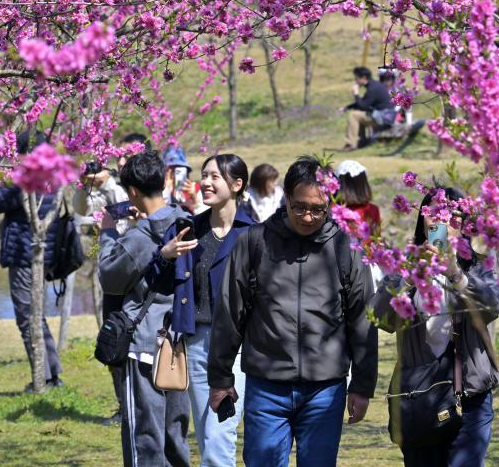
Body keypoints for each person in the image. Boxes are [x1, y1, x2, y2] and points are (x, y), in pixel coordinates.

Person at [208, 157, 378, 467]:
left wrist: (362, 385)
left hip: (325, 389)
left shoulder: (346, 248)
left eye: (318, 209)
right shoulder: (254, 243)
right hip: (266, 386)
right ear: (285, 197)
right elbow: (229, 313)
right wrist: (220, 377)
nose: (309, 217)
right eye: (299, 207)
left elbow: (362, 320)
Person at [370, 187, 499, 467]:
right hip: (420, 396)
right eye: (431, 213)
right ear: (421, 219)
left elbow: (493, 306)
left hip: (470, 398)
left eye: (451, 215)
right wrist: (408, 279)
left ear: (465, 225)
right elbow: (379, 317)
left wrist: (455, 273)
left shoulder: (479, 269)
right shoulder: (404, 267)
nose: (440, 221)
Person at [147, 154, 254, 466]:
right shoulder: (188, 230)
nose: (205, 182)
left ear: (237, 184)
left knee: (220, 432)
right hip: (196, 345)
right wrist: (164, 256)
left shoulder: (255, 234)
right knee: (209, 433)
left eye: (215, 177)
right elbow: (158, 283)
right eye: (204, 175)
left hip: (241, 345)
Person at [99, 150, 191, 467]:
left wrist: (109, 232)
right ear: (164, 181)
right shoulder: (188, 222)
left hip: (145, 345)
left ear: (133, 192)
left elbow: (109, 278)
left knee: (144, 437)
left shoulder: (138, 237)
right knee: (175, 433)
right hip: (180, 344)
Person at [0, 131, 64, 391]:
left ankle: (45, 378)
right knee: (37, 314)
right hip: (40, 253)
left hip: (25, 254)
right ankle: (52, 374)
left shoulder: (27, 180)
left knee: (27, 317)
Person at [74, 132, 150, 426]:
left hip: (143, 277)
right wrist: (89, 185)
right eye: (118, 157)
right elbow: (84, 211)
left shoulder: (150, 189)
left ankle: (146, 406)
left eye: (126, 157)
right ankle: (124, 405)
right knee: (113, 338)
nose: (119, 162)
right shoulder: (112, 187)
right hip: (117, 273)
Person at [335, 159, 383, 287]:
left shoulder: (335, 210)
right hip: (367, 266)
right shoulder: (372, 210)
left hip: (338, 267)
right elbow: (375, 241)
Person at [342, 66, 396, 150]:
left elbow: (363, 106)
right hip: (385, 116)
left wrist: (356, 94)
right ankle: (362, 142)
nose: (355, 81)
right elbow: (362, 103)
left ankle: (350, 144)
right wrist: (346, 107)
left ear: (363, 78)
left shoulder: (372, 88)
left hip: (384, 118)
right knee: (358, 114)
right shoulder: (373, 85)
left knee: (354, 115)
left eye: (356, 78)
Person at [163, 145, 204, 214]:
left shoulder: (195, 188)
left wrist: (194, 198)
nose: (175, 174)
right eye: (171, 170)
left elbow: (204, 215)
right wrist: (166, 191)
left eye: (179, 168)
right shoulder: (159, 190)